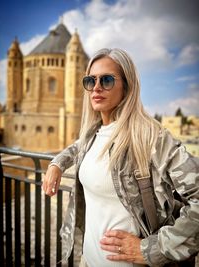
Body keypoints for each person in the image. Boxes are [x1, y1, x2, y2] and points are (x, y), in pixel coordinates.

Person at [42, 48, 199, 267]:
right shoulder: (93, 134)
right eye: (90, 81)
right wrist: (57, 164)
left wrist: (153, 249)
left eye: (106, 80)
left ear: (127, 86)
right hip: (88, 260)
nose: (96, 87)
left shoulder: (150, 136)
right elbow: (78, 148)